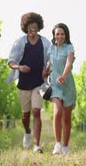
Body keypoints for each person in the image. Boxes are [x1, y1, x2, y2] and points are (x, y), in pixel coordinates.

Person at [7, 12, 52, 153]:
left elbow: (51, 58)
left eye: (35, 27)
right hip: (24, 84)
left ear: (39, 27)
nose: (33, 30)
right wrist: (19, 67)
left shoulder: (45, 43)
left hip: (39, 82)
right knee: (26, 115)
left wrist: (47, 69)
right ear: (26, 28)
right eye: (30, 27)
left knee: (36, 111)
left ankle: (36, 145)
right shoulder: (20, 42)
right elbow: (11, 61)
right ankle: (27, 131)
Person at [43, 23, 76, 155]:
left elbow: (69, 62)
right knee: (57, 112)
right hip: (55, 86)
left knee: (67, 118)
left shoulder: (69, 47)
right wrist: (45, 72)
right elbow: (49, 63)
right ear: (54, 35)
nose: (60, 36)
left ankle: (65, 146)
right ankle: (57, 144)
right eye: (57, 34)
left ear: (66, 35)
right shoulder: (51, 48)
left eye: (62, 34)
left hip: (67, 86)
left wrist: (63, 75)